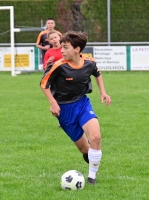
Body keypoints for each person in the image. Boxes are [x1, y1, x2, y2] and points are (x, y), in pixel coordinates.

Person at [40, 31, 111, 185]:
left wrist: (103, 92)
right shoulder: (58, 66)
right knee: (85, 150)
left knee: (96, 137)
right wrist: (53, 102)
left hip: (82, 103)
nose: (62, 51)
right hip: (64, 110)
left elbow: (97, 73)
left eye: (65, 47)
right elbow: (43, 84)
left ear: (77, 49)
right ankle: (91, 157)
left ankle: (92, 178)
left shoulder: (89, 62)